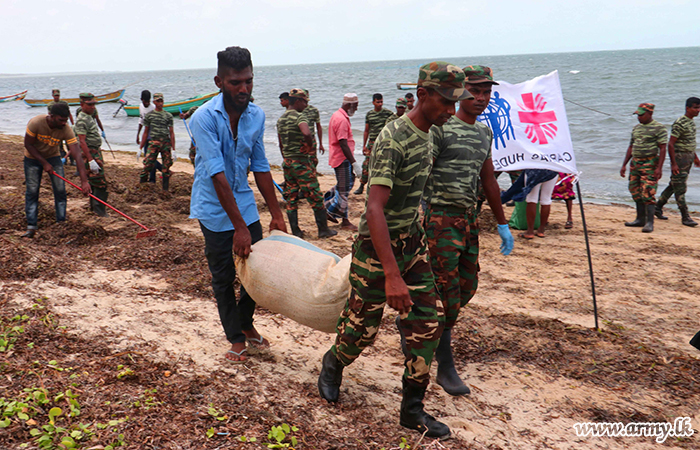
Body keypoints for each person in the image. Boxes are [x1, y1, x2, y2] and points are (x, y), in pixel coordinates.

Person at [318, 62, 472, 439]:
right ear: (422, 95)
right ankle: (334, 362)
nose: (452, 111)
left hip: (413, 243)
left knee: (428, 324)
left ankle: (412, 410)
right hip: (376, 250)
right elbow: (373, 209)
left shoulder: (433, 134)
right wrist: (391, 274)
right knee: (362, 332)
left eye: (456, 102)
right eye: (446, 102)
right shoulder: (393, 138)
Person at [189, 46, 287, 363]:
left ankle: (246, 324)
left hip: (242, 202)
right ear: (219, 81)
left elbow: (259, 165)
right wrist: (240, 228)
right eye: (235, 82)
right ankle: (234, 338)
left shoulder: (256, 115)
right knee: (223, 277)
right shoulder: (203, 118)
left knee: (254, 273)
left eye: (248, 81)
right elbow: (216, 174)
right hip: (213, 208)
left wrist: (276, 214)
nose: (243, 89)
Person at [425, 65, 514, 397]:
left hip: (468, 221)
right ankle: (445, 366)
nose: (481, 98)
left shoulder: (483, 133)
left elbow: (488, 178)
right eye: (474, 91)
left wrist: (502, 222)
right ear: (460, 92)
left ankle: (421, 326)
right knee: (446, 292)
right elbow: (423, 173)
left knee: (467, 284)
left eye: (486, 92)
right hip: (439, 220)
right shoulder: (442, 129)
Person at [22, 102, 91, 238]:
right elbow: (28, 144)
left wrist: (84, 181)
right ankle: (31, 227)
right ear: (51, 116)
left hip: (53, 157)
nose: (64, 123)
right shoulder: (36, 123)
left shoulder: (66, 129)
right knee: (32, 190)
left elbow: (77, 154)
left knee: (60, 190)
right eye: (61, 120)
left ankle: (61, 223)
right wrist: (44, 163)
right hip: (32, 158)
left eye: (66, 120)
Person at [277, 88, 337, 239]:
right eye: (305, 102)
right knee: (315, 195)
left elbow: (280, 144)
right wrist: (309, 146)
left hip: (288, 163)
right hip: (301, 163)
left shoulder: (281, 119)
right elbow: (307, 133)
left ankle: (296, 231)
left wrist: (287, 157)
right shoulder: (299, 117)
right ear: (297, 101)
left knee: (291, 196)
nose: (306, 105)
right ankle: (323, 230)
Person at [620, 103, 668, 233]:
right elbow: (631, 147)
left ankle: (649, 222)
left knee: (648, 192)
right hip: (635, 163)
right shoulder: (636, 128)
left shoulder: (659, 128)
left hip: (650, 163)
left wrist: (659, 168)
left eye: (641, 115)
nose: (639, 117)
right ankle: (639, 219)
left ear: (650, 113)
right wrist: (624, 165)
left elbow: (663, 148)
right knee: (635, 190)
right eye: (637, 115)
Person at [655, 97, 700, 226]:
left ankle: (657, 207)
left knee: (674, 184)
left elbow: (688, 142)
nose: (698, 110)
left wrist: (695, 157)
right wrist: (674, 164)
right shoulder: (680, 123)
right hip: (680, 158)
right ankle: (685, 216)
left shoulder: (691, 122)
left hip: (688, 157)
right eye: (695, 108)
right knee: (680, 188)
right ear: (687, 108)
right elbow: (671, 144)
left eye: (699, 108)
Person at [325, 93, 362, 230]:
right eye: (356, 106)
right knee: (344, 189)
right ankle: (344, 221)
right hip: (342, 157)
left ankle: (328, 206)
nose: (357, 109)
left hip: (340, 156)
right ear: (349, 105)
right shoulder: (341, 119)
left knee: (346, 183)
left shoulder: (339, 116)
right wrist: (354, 163)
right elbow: (343, 143)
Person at [74, 93, 109, 217]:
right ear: (82, 104)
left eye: (93, 104)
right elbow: (82, 141)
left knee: (95, 182)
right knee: (100, 182)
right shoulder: (82, 119)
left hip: (95, 151)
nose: (93, 107)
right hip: (90, 153)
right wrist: (90, 160)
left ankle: (95, 209)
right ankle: (99, 211)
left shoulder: (89, 116)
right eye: (89, 105)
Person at [354, 93, 394, 195]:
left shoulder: (388, 113)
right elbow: (366, 130)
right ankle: (362, 185)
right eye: (378, 102)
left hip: (383, 142)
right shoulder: (369, 114)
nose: (380, 104)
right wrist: (364, 145)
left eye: (381, 102)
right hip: (372, 143)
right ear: (373, 102)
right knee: (366, 164)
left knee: (384, 165)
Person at [139, 93, 175, 191]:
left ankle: (165, 190)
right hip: (153, 142)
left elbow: (171, 133)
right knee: (147, 164)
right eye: (158, 101)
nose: (160, 103)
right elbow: (145, 132)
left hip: (165, 143)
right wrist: (140, 148)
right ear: (154, 102)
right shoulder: (150, 115)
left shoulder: (168, 115)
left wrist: (174, 149)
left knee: (166, 167)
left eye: (161, 101)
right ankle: (141, 187)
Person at [136, 90, 163, 183]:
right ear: (141, 100)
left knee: (150, 158)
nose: (147, 103)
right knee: (149, 158)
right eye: (145, 101)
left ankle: (152, 179)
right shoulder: (141, 107)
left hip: (154, 135)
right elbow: (141, 121)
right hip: (146, 135)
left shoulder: (153, 108)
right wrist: (138, 135)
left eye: (148, 101)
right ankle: (163, 169)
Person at [47, 89, 75, 165]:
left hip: (65, 125)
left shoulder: (64, 103)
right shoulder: (50, 105)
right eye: (55, 95)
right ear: (52, 96)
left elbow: (69, 114)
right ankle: (63, 159)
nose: (57, 97)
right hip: (56, 126)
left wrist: (73, 124)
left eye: (58, 95)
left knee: (69, 142)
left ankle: (72, 160)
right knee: (59, 145)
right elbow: (49, 116)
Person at [302, 90, 325, 168]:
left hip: (311, 140)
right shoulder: (296, 111)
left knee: (313, 161)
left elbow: (318, 126)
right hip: (299, 140)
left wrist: (321, 144)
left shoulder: (314, 110)